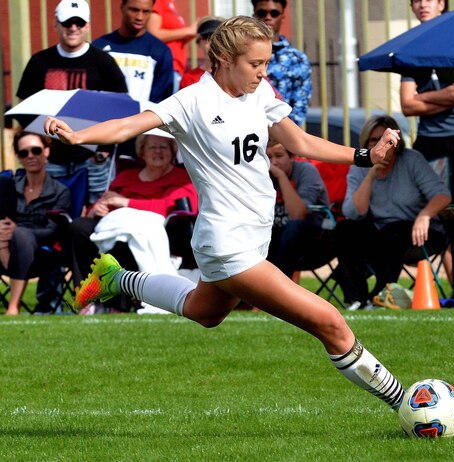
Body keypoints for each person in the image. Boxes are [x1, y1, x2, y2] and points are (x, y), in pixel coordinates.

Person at [45, 16, 405, 411]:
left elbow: (299, 141)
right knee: (330, 323)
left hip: (255, 235)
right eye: (255, 64)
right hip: (226, 242)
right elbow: (131, 125)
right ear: (222, 59)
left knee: (206, 312)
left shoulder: (259, 91)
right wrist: (79, 135)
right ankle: (407, 403)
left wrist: (366, 156)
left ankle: (116, 278)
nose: (263, 72)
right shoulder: (192, 101)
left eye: (266, 63)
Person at [64, 132, 197, 314]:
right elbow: (106, 200)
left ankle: (119, 305)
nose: (158, 152)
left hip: (157, 234)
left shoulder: (182, 178)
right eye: (152, 147)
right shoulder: (126, 177)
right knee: (78, 227)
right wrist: (97, 209)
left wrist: (126, 203)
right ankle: (87, 297)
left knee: (124, 239)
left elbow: (172, 208)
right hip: (114, 225)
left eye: (163, 147)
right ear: (142, 151)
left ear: (173, 151)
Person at [16, 0, 128, 205]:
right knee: (50, 213)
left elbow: (121, 107)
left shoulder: (103, 62)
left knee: (97, 213)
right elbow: (24, 108)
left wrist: (104, 149)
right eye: (68, 23)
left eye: (79, 22)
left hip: (93, 158)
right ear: (56, 23)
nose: (73, 28)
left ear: (87, 25)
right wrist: (41, 147)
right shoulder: (40, 62)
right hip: (52, 159)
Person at [334, 115, 451, 311]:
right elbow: (355, 212)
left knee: (395, 231)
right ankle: (357, 299)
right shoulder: (359, 167)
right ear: (366, 143)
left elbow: (443, 195)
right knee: (346, 228)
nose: (382, 144)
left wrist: (424, 216)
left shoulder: (412, 160)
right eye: (375, 140)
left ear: (396, 142)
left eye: (387, 139)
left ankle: (381, 296)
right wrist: (370, 175)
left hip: (416, 233)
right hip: (377, 235)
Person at [400, 0, 454, 212]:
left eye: (429, 0)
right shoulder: (411, 48)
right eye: (417, 1)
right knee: (435, 209)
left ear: (442, 4)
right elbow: (407, 105)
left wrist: (421, 97)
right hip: (429, 138)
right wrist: (443, 99)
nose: (423, 5)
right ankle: (444, 248)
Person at [0, 132, 71, 315]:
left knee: (21, 235)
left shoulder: (60, 192)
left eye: (36, 150)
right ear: (19, 158)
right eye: (24, 153)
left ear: (46, 152)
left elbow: (54, 231)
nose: (30, 156)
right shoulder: (9, 187)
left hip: (44, 254)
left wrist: (18, 230)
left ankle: (13, 306)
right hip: (5, 246)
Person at [266, 140, 330, 278]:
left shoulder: (305, 171)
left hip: (315, 243)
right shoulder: (263, 176)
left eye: (279, 155)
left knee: (293, 227)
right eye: (268, 157)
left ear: (292, 156)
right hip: (276, 241)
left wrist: (281, 177)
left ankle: (277, 286)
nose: (274, 163)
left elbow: (298, 214)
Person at [93, 0, 174, 103]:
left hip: (141, 117)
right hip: (104, 117)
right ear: (122, 7)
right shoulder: (99, 46)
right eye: (134, 10)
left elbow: (162, 102)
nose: (140, 17)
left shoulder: (160, 51)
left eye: (146, 11)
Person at [252, 0, 312, 126]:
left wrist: (281, 142)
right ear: (254, 16)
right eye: (262, 13)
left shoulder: (297, 59)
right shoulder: (242, 53)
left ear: (282, 17)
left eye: (274, 13)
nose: (268, 17)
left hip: (283, 137)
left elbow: (300, 106)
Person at [147, 0, 197, 92]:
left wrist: (192, 33)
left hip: (177, 67)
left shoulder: (169, 3)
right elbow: (153, 34)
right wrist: (188, 31)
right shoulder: (159, 2)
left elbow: (175, 41)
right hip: (167, 66)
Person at [180, 16, 224, 89]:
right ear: (199, 42)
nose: (211, 43)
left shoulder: (234, 75)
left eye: (217, 37)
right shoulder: (188, 79)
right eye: (207, 38)